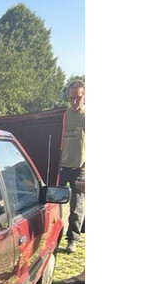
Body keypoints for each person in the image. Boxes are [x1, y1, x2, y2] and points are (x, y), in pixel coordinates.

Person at [59, 80, 86, 253]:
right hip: (61, 166)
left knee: (77, 207)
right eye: (71, 98)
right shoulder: (63, 115)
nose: (74, 102)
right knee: (53, 201)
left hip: (80, 167)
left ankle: (72, 240)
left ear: (84, 96)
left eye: (77, 98)